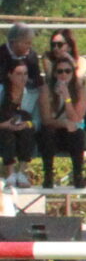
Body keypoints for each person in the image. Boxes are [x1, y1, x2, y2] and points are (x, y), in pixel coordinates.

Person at [36, 53, 86, 189]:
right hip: (53, 132)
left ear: (72, 73)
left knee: (78, 135)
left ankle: (78, 175)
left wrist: (67, 98)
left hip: (72, 134)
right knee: (47, 133)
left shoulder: (80, 90)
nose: (64, 75)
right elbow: (46, 120)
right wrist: (64, 123)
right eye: (60, 71)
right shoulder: (46, 90)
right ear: (54, 74)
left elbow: (76, 119)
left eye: (67, 71)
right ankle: (48, 175)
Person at [0, 26, 34, 188]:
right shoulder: (1, 91)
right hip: (3, 125)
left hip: (23, 127)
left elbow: (36, 120)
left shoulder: (31, 93)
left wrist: (27, 124)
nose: (23, 78)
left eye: (25, 74)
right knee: (7, 133)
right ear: (9, 75)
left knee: (27, 129)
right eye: (19, 74)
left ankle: (21, 172)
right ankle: (10, 174)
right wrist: (4, 125)